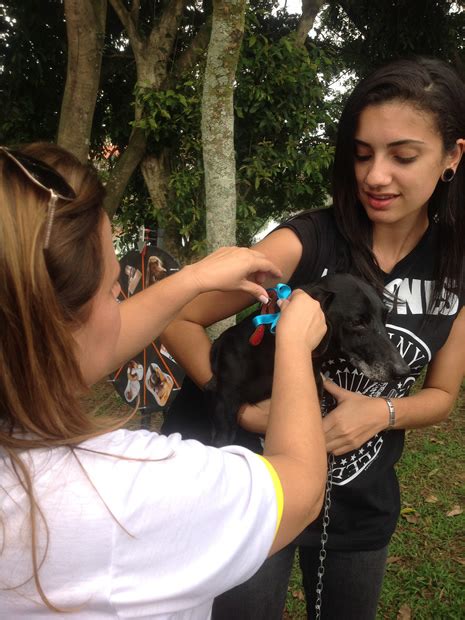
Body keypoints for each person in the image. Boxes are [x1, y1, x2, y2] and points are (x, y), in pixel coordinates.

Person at [160, 56, 465, 619]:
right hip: (257, 494)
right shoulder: (305, 244)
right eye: (362, 153)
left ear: (452, 157)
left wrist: (382, 414)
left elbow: (441, 396)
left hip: (360, 508)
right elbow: (178, 318)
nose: (375, 175)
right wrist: (249, 413)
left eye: (402, 156)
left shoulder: (455, 269)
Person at [0, 143, 329, 617]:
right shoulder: (120, 498)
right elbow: (300, 488)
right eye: (113, 288)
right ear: (54, 324)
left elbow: (61, 349)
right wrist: (294, 345)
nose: (120, 295)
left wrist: (192, 279)